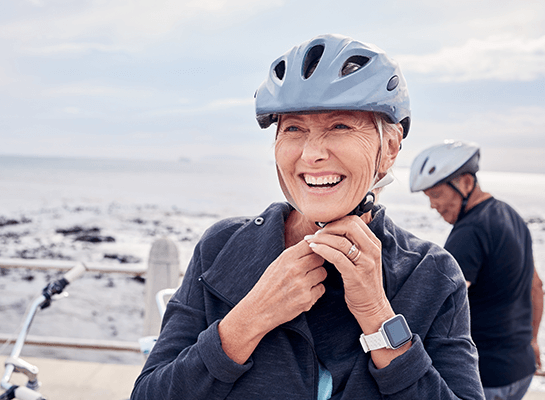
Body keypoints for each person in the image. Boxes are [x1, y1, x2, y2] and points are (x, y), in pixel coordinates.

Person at [131, 34, 484, 399]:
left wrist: (377, 315)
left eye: (340, 126)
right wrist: (249, 317)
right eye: (294, 129)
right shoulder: (222, 248)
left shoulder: (431, 274)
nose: (312, 153)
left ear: (390, 148)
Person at [410, 140, 544, 400]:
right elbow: (536, 287)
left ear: (466, 184)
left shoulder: (468, 233)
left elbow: (437, 304)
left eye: (436, 195)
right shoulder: (511, 215)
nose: (432, 206)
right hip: (521, 369)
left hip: (487, 376)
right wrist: (533, 341)